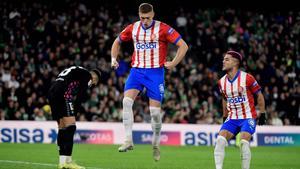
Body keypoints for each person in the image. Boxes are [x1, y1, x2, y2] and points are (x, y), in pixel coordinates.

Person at [111, 3, 188, 161]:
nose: (145, 21)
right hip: (137, 71)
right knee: (126, 102)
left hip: (155, 74)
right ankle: (128, 140)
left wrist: (173, 63)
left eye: (148, 18)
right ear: (139, 15)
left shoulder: (164, 28)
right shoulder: (133, 27)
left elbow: (183, 46)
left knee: (154, 113)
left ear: (153, 15)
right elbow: (117, 41)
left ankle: (156, 144)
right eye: (142, 18)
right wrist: (113, 59)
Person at [214, 50, 267, 169]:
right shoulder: (221, 82)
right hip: (232, 118)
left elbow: (259, 95)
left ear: (235, 63)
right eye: (224, 59)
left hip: (247, 117)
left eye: (227, 59)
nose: (223, 61)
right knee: (220, 140)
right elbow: (224, 98)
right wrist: (224, 115)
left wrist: (262, 113)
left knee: (243, 142)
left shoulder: (247, 78)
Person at [48, 66, 101, 169]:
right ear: (95, 78)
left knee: (63, 128)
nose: (92, 85)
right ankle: (68, 161)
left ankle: (62, 162)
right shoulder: (87, 76)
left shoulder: (78, 71)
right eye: (94, 83)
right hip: (63, 94)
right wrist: (75, 113)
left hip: (52, 93)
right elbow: (80, 96)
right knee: (71, 127)